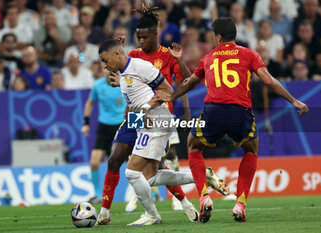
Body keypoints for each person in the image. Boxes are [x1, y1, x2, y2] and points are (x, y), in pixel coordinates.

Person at [156, 17, 309, 223]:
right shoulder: (249, 54)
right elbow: (268, 81)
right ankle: (240, 204)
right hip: (240, 112)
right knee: (251, 150)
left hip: (214, 112)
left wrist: (171, 96)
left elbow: (189, 83)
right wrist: (294, 100)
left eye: (213, 35)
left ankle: (204, 197)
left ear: (218, 37)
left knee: (193, 147)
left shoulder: (208, 58)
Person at [97, 5, 228, 224]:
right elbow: (125, 80)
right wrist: (116, 77)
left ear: (155, 34)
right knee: (120, 160)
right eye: (137, 37)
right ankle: (106, 211)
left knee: (145, 170)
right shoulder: (133, 56)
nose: (140, 41)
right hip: (136, 116)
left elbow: (181, 85)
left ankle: (162, 209)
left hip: (157, 116)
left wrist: (179, 61)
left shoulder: (162, 57)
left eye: (144, 37)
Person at [81, 64, 126, 204]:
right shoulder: (97, 85)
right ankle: (96, 194)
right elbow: (89, 103)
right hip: (104, 128)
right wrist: (86, 123)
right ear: (102, 70)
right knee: (94, 162)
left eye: (111, 67)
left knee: (136, 163)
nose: (109, 70)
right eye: (105, 68)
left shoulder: (124, 83)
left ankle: (153, 192)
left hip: (122, 125)